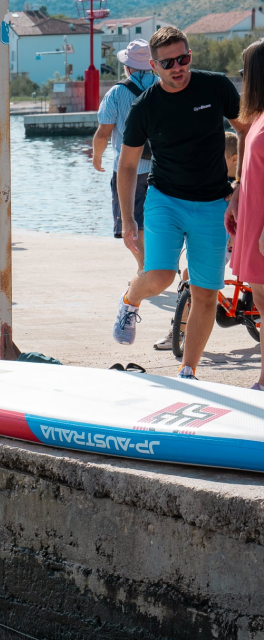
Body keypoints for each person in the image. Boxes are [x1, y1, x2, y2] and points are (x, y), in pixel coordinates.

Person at [112, 27, 247, 381]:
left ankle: (187, 370)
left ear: (190, 55)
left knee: (206, 293)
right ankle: (130, 300)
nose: (178, 67)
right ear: (154, 67)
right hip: (166, 200)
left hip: (213, 202)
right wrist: (128, 220)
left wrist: (240, 182)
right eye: (168, 62)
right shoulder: (145, 107)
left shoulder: (216, 87)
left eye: (183, 58)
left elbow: (245, 129)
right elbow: (127, 165)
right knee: (160, 276)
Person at [93, 38, 158, 275]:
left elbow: (103, 133)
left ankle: (144, 267)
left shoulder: (117, 92)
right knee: (155, 219)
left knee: (130, 221)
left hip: (127, 170)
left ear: (127, 67)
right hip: (161, 168)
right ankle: (155, 264)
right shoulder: (165, 86)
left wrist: (97, 157)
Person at [226, 38, 264, 391]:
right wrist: (237, 192)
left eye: (243, 71)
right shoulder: (258, 119)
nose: (240, 78)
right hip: (254, 222)